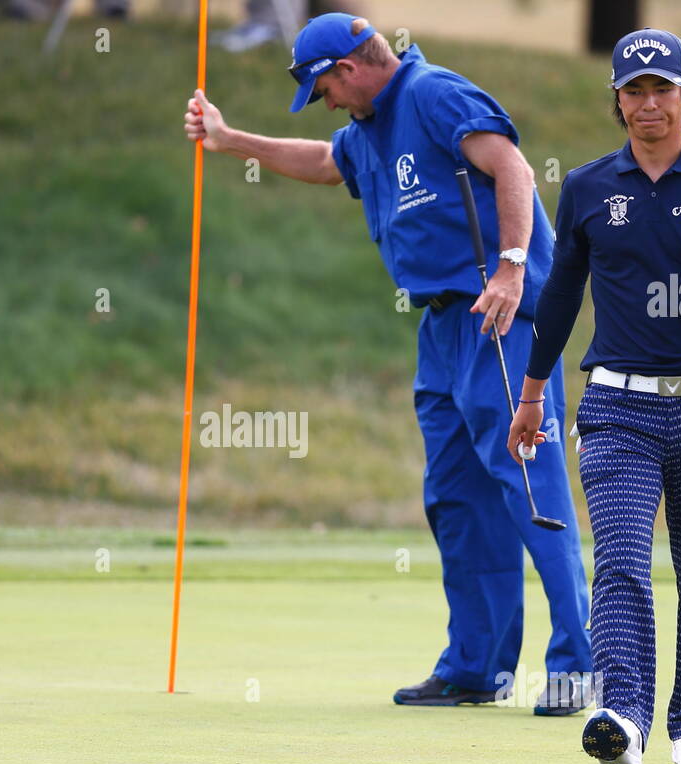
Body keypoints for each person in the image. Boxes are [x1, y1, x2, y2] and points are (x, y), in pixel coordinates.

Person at [184, 13, 593, 715]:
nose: (328, 105)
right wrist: (230, 140)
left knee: (530, 488)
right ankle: (476, 668)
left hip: (495, 316)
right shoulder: (367, 128)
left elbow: (513, 168)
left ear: (349, 68)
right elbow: (323, 161)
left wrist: (510, 268)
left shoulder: (434, 94)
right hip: (441, 329)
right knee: (457, 500)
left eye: (325, 91)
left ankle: (579, 667)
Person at [507, 28, 681, 764]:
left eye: (663, 88)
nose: (649, 103)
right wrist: (533, 392)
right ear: (617, 100)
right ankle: (624, 719)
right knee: (623, 561)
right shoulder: (589, 187)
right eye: (635, 91)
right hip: (616, 407)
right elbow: (560, 297)